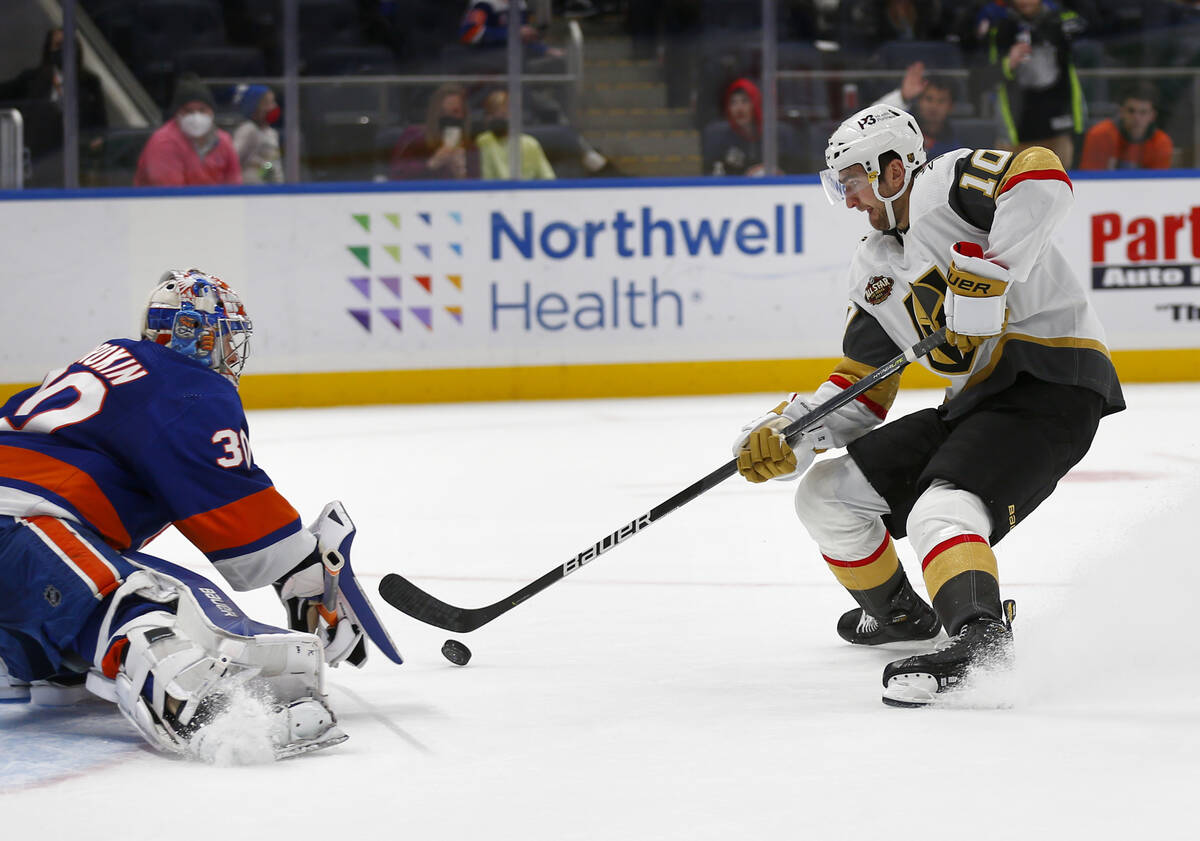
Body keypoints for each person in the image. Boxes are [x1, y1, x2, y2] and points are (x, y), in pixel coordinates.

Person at [732, 104, 1123, 706]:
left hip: (1051, 382)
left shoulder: (950, 185)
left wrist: (996, 271)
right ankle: (902, 618)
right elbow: (863, 387)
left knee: (940, 509)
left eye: (855, 183)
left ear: (893, 170)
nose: (851, 200)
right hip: (974, 404)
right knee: (826, 495)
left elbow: (1041, 175)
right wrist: (793, 430)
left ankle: (981, 642)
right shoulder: (874, 267)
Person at [0, 269, 402, 759]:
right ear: (194, 332)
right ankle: (209, 710)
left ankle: (30, 661)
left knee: (57, 630)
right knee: (129, 603)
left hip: (19, 524)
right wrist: (308, 575)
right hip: (17, 520)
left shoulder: (116, 362)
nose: (232, 352)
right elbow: (242, 522)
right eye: (226, 336)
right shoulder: (188, 385)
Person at [0, 27, 107, 187]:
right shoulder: (32, 79)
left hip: (75, 163)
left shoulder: (90, 82)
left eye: (67, 46)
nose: (62, 51)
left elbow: (101, 125)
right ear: (49, 50)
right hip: (40, 161)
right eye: (57, 46)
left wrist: (96, 141)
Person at [987, 0, 1087, 165]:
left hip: (1058, 113)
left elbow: (1088, 31)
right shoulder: (1002, 26)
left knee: (1062, 178)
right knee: (1012, 182)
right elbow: (984, 77)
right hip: (1017, 121)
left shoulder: (1062, 19)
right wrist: (1008, 62)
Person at [134, 76, 241, 187]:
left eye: (202, 110)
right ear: (177, 114)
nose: (196, 116)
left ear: (211, 112)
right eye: (188, 111)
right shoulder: (163, 142)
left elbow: (235, 185)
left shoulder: (223, 140)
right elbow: (170, 194)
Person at [702, 78, 802, 176]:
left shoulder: (781, 135)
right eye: (733, 102)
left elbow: (797, 171)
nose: (739, 108)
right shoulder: (719, 137)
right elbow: (713, 174)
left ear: (756, 103)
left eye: (745, 101)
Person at [874, 62, 970, 158]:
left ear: (951, 107)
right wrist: (902, 97)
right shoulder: (900, 123)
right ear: (919, 100)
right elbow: (868, 122)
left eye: (941, 101)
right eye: (929, 99)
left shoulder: (956, 148)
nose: (934, 106)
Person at [389, 83, 480, 181]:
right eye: (443, 112)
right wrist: (431, 164)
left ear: (464, 114)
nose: (449, 118)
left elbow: (479, 187)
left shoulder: (470, 147)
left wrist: (460, 174)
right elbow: (396, 176)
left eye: (455, 112)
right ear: (434, 113)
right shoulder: (414, 138)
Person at [1079, 82, 1174, 170]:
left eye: (1143, 112)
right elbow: (1090, 178)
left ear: (1152, 116)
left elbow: (1158, 182)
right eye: (1131, 111)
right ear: (1121, 111)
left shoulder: (1161, 142)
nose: (1136, 117)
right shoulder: (1099, 135)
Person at [475, 88, 555, 180]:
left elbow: (548, 178)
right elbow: (486, 180)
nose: (499, 119)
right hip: (493, 193)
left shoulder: (530, 144)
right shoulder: (484, 141)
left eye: (504, 114)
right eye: (493, 115)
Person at [231, 84, 284, 184]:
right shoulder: (248, 130)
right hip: (248, 189)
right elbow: (233, 159)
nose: (273, 107)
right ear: (254, 108)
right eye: (268, 103)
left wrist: (268, 169)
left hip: (269, 188)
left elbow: (271, 162)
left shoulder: (272, 133)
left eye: (273, 102)